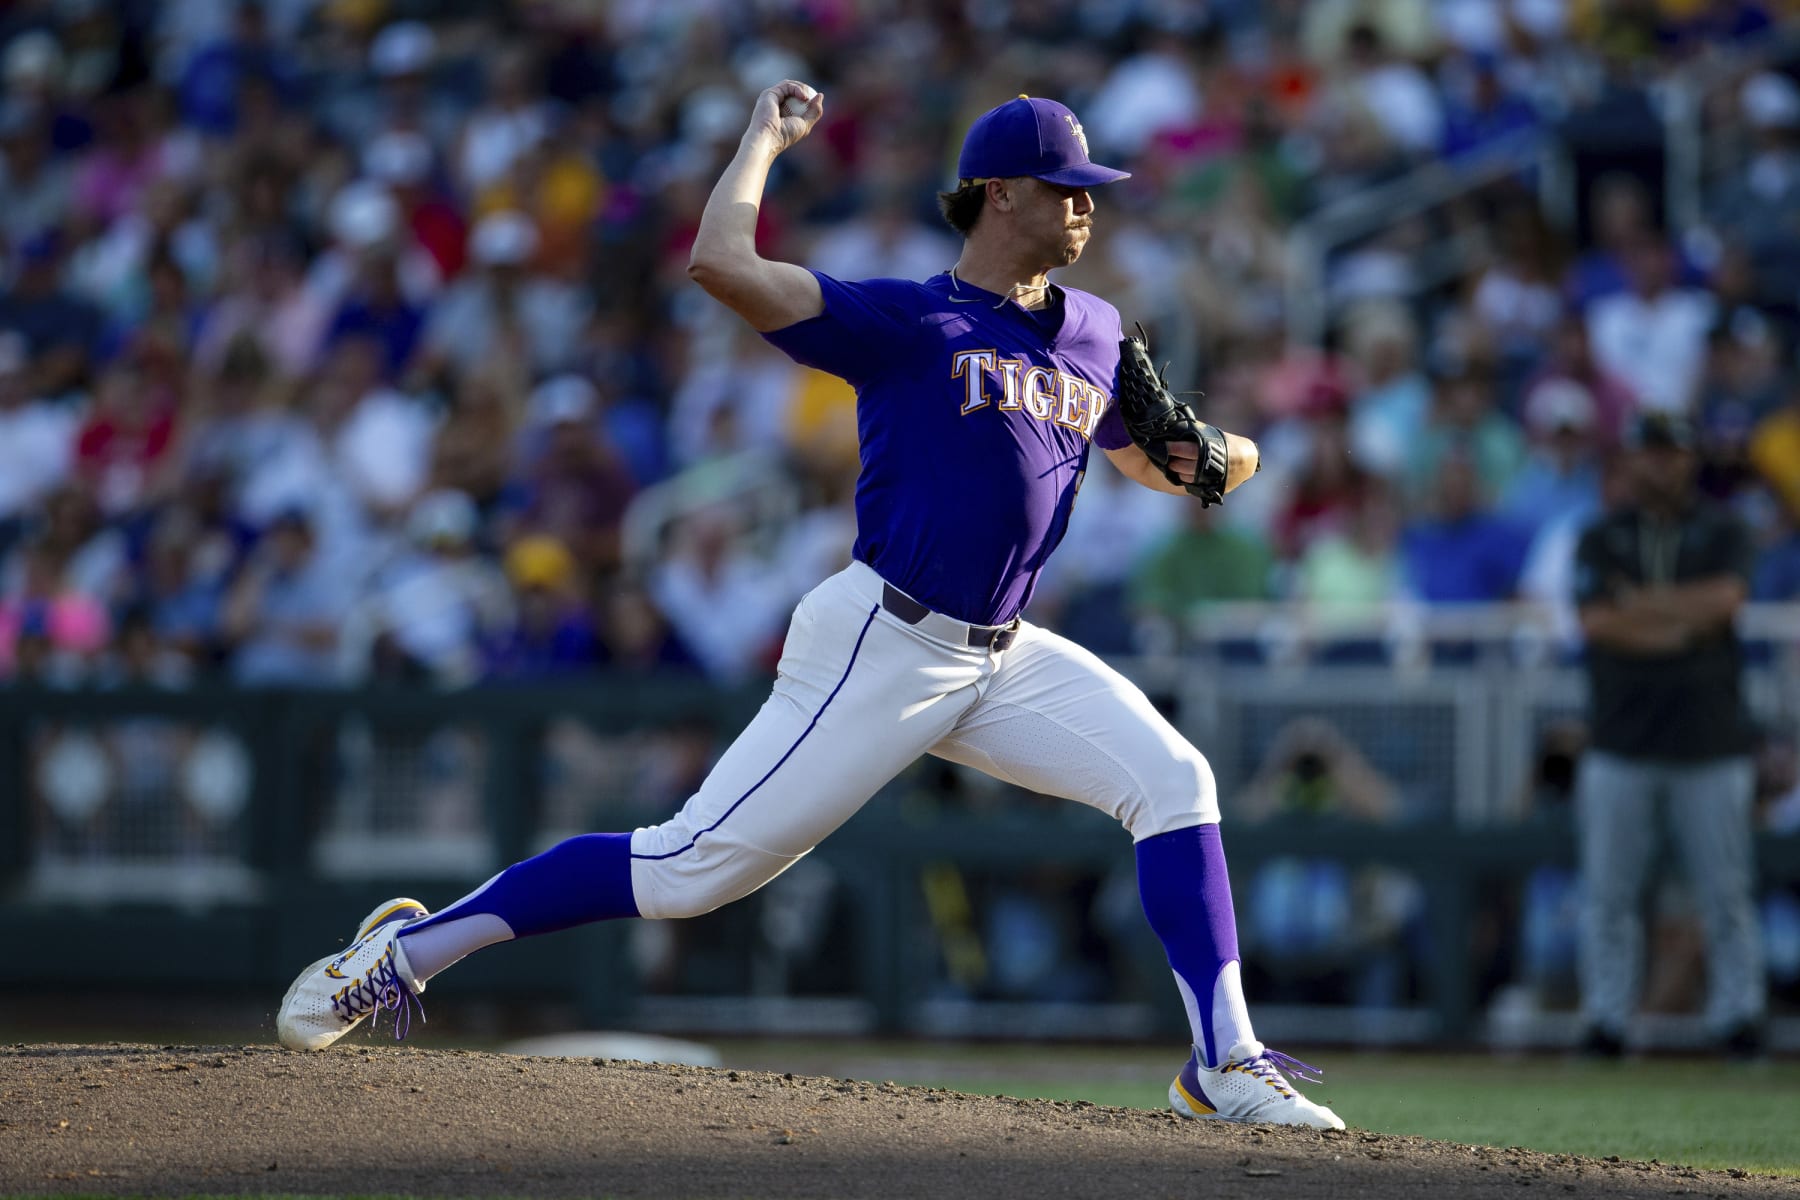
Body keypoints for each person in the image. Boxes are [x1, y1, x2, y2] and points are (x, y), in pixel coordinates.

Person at [276, 83, 1343, 1130]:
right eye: (1062, 186)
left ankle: (1222, 1061)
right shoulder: (907, 318)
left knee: (1174, 778)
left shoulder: (1098, 331)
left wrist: (1215, 455)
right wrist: (759, 143)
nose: (1086, 205)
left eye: (1088, 187)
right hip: (884, 641)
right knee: (688, 867)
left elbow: (1162, 466)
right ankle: (406, 953)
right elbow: (719, 265)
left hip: (1005, 654)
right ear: (997, 195)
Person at [1571, 412, 1765, 1057]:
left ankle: (1739, 1020)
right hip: (1621, 739)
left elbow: (1725, 602)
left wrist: (1643, 605)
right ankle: (1606, 1021)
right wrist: (1682, 624)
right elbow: (1599, 621)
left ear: (1690, 458)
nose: (1661, 464)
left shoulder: (1722, 528)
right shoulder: (1602, 535)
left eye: (1672, 451)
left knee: (1725, 892)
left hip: (1709, 741)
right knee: (1610, 895)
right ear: (1629, 460)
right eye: (1649, 451)